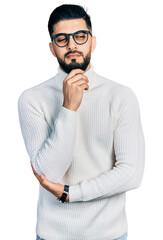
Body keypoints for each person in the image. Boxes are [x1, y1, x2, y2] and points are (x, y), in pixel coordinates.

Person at [17, 4, 145, 240]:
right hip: (52, 235)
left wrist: (70, 194)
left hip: (111, 235)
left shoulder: (121, 96)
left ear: (92, 42)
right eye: (62, 39)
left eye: (80, 36)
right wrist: (69, 108)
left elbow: (131, 173)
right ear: (52, 48)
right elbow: (49, 174)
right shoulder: (32, 98)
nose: (72, 45)